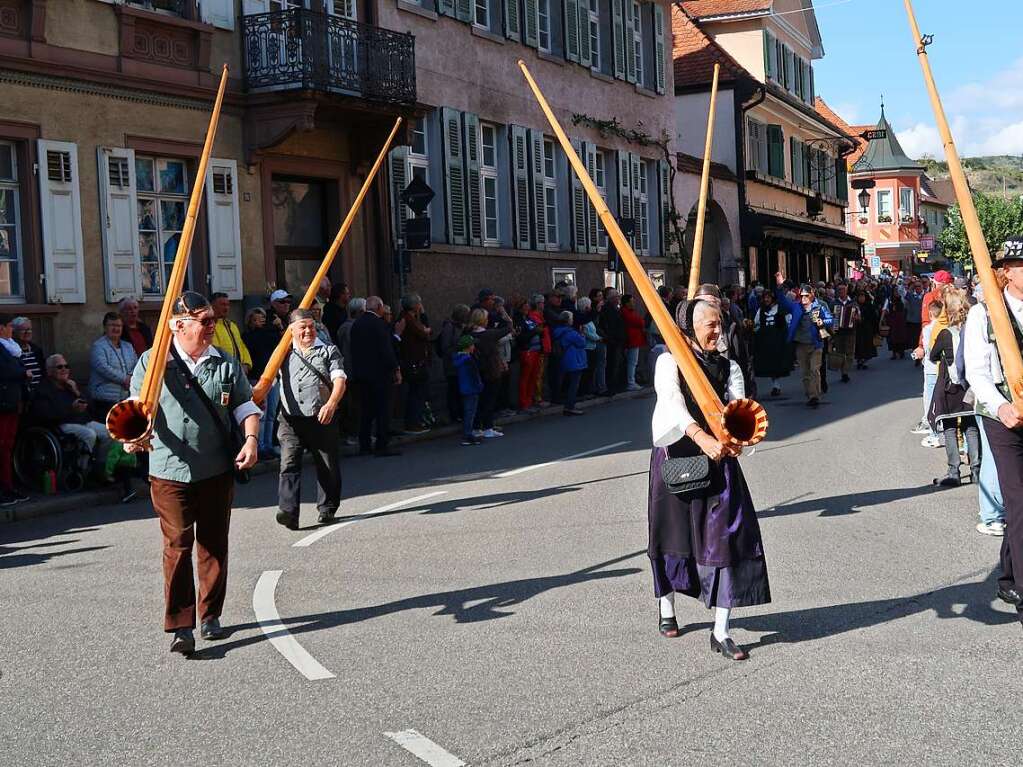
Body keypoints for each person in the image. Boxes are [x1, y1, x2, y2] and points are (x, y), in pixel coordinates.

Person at [125, 291, 260, 655]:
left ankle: (210, 615)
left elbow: (245, 405)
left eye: (213, 321)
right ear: (178, 325)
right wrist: (134, 436)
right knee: (177, 545)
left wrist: (250, 440)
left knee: (214, 542)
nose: (212, 327)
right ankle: (181, 625)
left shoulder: (225, 363)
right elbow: (137, 409)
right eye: (205, 321)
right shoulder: (152, 363)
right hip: (168, 470)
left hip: (216, 468)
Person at [648, 299, 770, 659]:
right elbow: (671, 402)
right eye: (711, 326)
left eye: (720, 325)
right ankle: (667, 606)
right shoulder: (668, 361)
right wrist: (700, 437)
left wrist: (738, 438)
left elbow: (739, 403)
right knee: (671, 536)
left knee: (726, 540)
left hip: (719, 463)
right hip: (677, 455)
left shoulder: (728, 366)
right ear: (689, 330)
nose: (718, 332)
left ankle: (722, 630)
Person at [963, 237, 1023, 629]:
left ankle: (1008, 575)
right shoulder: (983, 315)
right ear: (1003, 272)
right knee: (1020, 500)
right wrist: (1002, 406)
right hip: (1002, 417)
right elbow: (977, 373)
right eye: (1019, 265)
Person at [274, 308, 347, 530]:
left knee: (326, 464)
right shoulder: (282, 353)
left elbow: (340, 380)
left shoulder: (328, 351)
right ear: (291, 331)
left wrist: (331, 404)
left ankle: (327, 508)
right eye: (303, 327)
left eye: (311, 326)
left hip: (321, 416)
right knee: (288, 463)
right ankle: (288, 512)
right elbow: (268, 378)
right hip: (290, 419)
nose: (308, 331)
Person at [927, 289, 979, 487]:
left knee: (950, 427)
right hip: (970, 385)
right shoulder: (971, 329)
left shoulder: (944, 333)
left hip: (949, 386)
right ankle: (976, 470)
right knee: (970, 426)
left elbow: (932, 356)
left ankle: (954, 471)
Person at [32, 353, 113, 466]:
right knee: (89, 434)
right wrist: (71, 409)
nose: (64, 369)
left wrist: (77, 391)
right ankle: (82, 469)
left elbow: (91, 405)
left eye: (66, 366)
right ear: (49, 371)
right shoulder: (43, 390)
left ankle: (101, 466)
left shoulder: (71, 385)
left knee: (109, 432)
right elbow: (47, 415)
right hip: (61, 424)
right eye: (59, 367)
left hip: (82, 420)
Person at [350, 296, 402, 457]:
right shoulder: (380, 324)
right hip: (380, 375)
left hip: (362, 374)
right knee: (383, 410)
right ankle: (382, 445)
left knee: (366, 411)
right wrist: (396, 369)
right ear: (379, 307)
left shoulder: (357, 324)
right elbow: (386, 350)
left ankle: (364, 444)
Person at [775, 273, 833, 408]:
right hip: (801, 344)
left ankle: (814, 396)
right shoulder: (796, 307)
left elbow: (830, 320)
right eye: (802, 296)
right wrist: (779, 286)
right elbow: (782, 301)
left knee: (814, 370)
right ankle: (810, 394)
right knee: (805, 373)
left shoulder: (820, 306)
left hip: (816, 344)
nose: (803, 298)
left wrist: (822, 320)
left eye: (806, 296)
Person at [241, 307, 280, 459]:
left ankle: (268, 444)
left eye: (263, 318)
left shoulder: (270, 334)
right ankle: (259, 447)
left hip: (272, 378)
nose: (261, 321)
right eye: (257, 318)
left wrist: (277, 327)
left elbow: (277, 343)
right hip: (257, 378)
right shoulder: (248, 336)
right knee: (261, 414)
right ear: (250, 320)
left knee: (271, 414)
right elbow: (256, 342)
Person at [467, 307, 511, 438]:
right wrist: (504, 314)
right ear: (483, 320)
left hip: (475, 370)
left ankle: (476, 427)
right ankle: (487, 427)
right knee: (489, 400)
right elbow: (509, 327)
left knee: (478, 401)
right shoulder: (489, 334)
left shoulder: (468, 334)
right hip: (491, 371)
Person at [89, 312, 139, 422]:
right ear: (105, 327)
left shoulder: (128, 346)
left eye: (119, 326)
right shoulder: (98, 346)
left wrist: (131, 376)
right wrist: (125, 379)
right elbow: (103, 367)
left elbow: (136, 364)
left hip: (125, 397)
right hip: (105, 400)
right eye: (112, 325)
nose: (116, 329)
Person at [0, 314, 28, 505]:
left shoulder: (11, 348)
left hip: (12, 402)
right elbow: (5, 371)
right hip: (2, 403)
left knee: (8, 446)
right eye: (10, 326)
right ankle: (4, 489)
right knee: (2, 446)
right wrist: (23, 373)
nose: (12, 330)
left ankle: (8, 486)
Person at [397, 293, 432, 435]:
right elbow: (423, 332)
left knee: (417, 392)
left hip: (415, 360)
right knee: (416, 393)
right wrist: (426, 328)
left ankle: (415, 421)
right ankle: (412, 423)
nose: (420, 306)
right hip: (413, 362)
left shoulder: (410, 317)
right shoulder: (408, 318)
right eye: (419, 304)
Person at [914, 301, 945, 448]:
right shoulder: (947, 326)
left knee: (931, 401)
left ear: (931, 313)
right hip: (945, 369)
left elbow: (928, 348)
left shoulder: (928, 329)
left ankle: (934, 433)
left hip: (932, 368)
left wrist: (919, 354)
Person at [752, 289, 792, 397]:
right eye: (765, 297)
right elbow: (756, 324)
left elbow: (789, 322)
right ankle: (776, 385)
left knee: (778, 364)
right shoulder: (761, 310)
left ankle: (776, 385)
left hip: (779, 341)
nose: (766, 299)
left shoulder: (781, 309)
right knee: (770, 364)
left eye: (768, 297)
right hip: (766, 341)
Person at [438, 304, 469, 424]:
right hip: (452, 364)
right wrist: (461, 346)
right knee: (453, 390)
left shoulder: (461, 326)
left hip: (461, 363)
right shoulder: (449, 327)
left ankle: (461, 413)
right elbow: (445, 348)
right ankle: (454, 415)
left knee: (460, 390)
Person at [551, 310, 587, 416]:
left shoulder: (557, 331)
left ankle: (565, 402)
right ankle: (570, 406)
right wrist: (582, 334)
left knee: (565, 382)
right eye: (571, 318)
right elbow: (582, 342)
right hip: (574, 360)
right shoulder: (570, 333)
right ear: (567, 320)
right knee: (574, 384)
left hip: (564, 359)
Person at [516, 294, 548, 412]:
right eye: (525, 305)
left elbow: (538, 330)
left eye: (528, 305)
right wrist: (534, 332)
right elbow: (521, 337)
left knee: (534, 376)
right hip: (527, 350)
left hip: (536, 349)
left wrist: (540, 331)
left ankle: (529, 401)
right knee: (526, 377)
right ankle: (524, 402)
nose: (527, 307)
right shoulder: (519, 320)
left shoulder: (529, 319)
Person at [209, 292, 252, 375]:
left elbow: (242, 345)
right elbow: (214, 350)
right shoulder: (210, 326)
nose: (226, 308)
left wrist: (246, 364)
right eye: (222, 304)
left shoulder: (232, 325)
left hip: (239, 372)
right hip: (223, 373)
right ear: (212, 306)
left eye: (228, 305)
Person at [453, 335, 483, 446]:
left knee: (468, 411)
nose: (474, 347)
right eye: (472, 345)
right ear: (467, 347)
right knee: (470, 412)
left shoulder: (458, 359)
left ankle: (468, 433)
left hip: (464, 387)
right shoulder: (468, 360)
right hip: (472, 388)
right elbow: (474, 375)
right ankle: (468, 435)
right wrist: (479, 385)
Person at [830, 284, 859, 383]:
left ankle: (845, 371)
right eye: (839, 290)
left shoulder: (853, 303)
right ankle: (843, 372)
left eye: (843, 290)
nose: (841, 291)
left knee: (850, 352)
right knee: (840, 353)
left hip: (850, 331)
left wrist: (856, 318)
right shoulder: (834, 303)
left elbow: (859, 316)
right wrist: (832, 327)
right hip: (838, 331)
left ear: (847, 291)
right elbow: (830, 317)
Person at [599, 289, 626, 394]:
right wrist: (612, 338)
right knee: (612, 364)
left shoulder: (615, 309)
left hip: (617, 340)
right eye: (616, 296)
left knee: (617, 363)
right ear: (611, 298)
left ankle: (616, 385)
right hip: (613, 341)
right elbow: (609, 326)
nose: (618, 298)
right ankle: (612, 386)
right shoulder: (607, 309)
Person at [622, 294, 646, 391]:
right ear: (627, 303)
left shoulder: (628, 312)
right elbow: (639, 322)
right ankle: (631, 382)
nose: (634, 303)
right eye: (632, 301)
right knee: (632, 362)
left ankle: (632, 381)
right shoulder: (625, 312)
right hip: (632, 340)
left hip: (634, 339)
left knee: (632, 362)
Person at [853, 290, 879, 369]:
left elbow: (873, 317)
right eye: (860, 297)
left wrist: (875, 330)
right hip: (858, 329)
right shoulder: (855, 306)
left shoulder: (869, 306)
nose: (861, 298)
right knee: (859, 345)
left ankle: (864, 360)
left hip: (867, 329)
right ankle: (859, 360)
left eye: (863, 297)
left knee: (866, 345)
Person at [882, 293, 910, 360]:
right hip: (897, 322)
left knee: (897, 339)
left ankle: (898, 353)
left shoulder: (900, 302)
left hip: (897, 322)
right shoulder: (890, 300)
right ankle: (898, 353)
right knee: (897, 339)